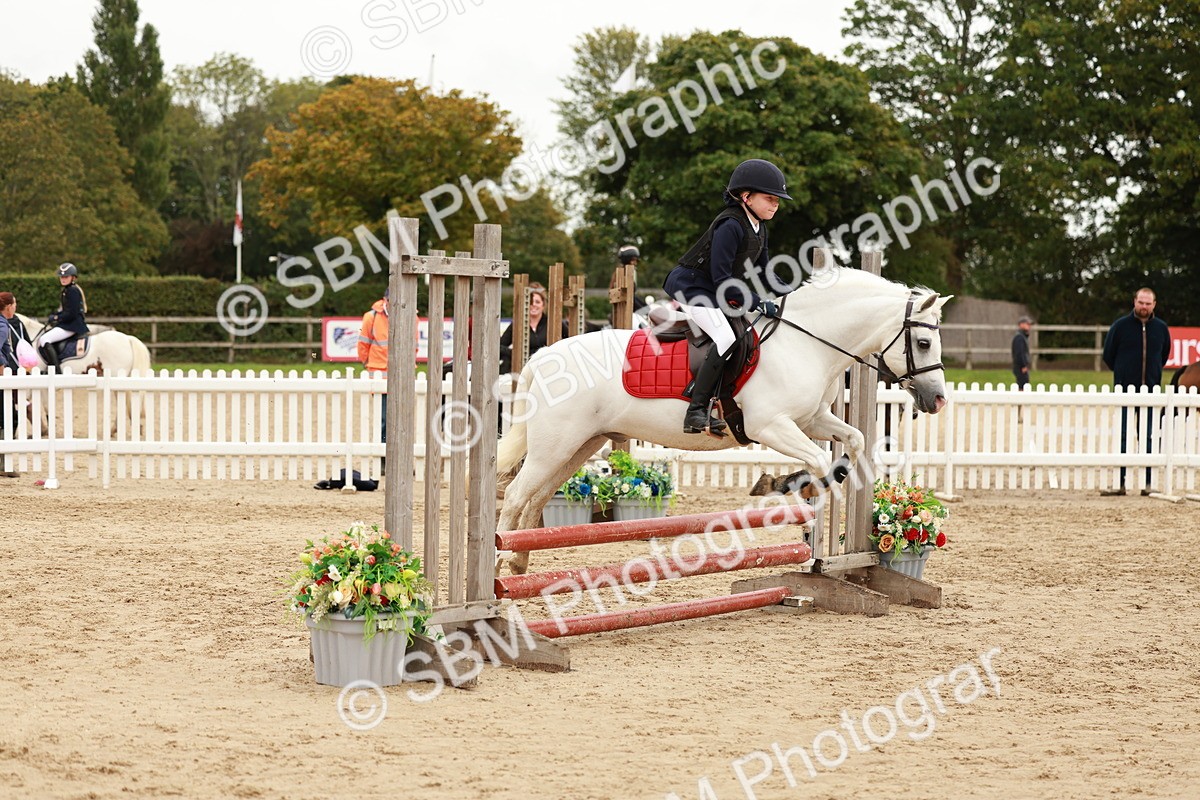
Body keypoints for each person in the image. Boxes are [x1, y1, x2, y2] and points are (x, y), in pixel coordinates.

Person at [662, 158, 791, 436]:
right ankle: (695, 412)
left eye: (778, 200)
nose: (775, 204)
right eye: (769, 198)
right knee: (726, 336)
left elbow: (764, 271)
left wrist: (792, 296)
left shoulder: (759, 227)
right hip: (691, 287)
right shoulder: (730, 225)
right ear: (746, 196)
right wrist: (757, 302)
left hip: (714, 289)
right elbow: (722, 279)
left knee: (745, 332)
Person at [1101, 287, 1171, 496]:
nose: (1144, 307)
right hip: (1125, 390)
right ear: (1134, 302)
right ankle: (1120, 482)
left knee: (1149, 437)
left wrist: (1153, 375)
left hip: (1150, 391)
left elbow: (1164, 355)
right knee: (1123, 436)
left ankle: (1147, 484)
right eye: (1141, 302)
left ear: (1154, 305)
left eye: (1148, 303)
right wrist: (1123, 375)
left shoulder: (1161, 328)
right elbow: (1108, 355)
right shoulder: (1120, 327)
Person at [499, 282, 569, 374]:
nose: (533, 305)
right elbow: (500, 347)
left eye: (537, 302)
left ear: (543, 304)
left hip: (548, 370)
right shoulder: (517, 324)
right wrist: (514, 353)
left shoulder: (554, 323)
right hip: (522, 371)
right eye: (530, 302)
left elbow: (569, 342)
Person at [38, 263, 88, 369]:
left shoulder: (72, 291)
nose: (63, 279)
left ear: (73, 277)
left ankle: (56, 370)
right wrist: (56, 314)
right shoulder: (67, 290)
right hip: (69, 323)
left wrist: (57, 318)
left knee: (44, 339)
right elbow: (66, 310)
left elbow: (72, 313)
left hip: (73, 325)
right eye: (61, 277)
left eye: (66, 277)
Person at [358, 292, 389, 443]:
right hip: (379, 375)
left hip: (400, 376)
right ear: (385, 300)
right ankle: (383, 458)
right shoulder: (371, 317)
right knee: (383, 419)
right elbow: (363, 344)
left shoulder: (412, 317)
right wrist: (369, 365)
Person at [610, 245, 649, 325]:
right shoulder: (623, 273)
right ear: (628, 260)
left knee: (645, 307)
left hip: (629, 302)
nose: (636, 263)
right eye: (634, 260)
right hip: (624, 308)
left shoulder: (629, 272)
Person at [1011, 316, 1033, 389]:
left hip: (1021, 366)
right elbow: (1019, 353)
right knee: (1022, 384)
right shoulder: (1019, 337)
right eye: (1027, 324)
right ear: (1021, 325)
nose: (1029, 326)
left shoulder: (1022, 336)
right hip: (1020, 367)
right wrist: (1023, 365)